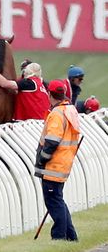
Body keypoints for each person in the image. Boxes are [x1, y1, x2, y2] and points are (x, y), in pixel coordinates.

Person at [34, 79, 80, 241]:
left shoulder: (56, 113)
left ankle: (59, 237)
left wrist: (41, 159)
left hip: (53, 165)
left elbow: (52, 141)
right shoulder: (70, 109)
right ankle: (71, 236)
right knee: (58, 201)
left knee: (54, 202)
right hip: (64, 163)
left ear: (49, 94)